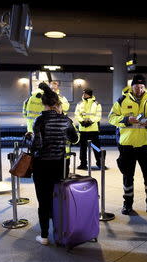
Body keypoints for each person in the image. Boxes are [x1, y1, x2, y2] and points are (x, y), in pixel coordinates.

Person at [30, 83, 79, 245]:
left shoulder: (40, 120)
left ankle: (44, 236)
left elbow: (36, 145)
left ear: (44, 104)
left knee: (43, 200)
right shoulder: (65, 120)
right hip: (60, 164)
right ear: (57, 104)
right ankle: (60, 232)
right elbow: (74, 139)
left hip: (42, 165)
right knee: (58, 198)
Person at [108, 74, 147, 215]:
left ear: (144, 87)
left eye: (141, 87)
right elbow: (111, 118)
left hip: (145, 146)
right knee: (128, 177)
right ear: (131, 86)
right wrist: (127, 120)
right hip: (127, 146)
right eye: (136, 86)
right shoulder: (121, 100)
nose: (139, 89)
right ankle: (127, 205)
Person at [74, 88, 104, 170]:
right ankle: (83, 164)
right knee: (83, 148)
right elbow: (77, 114)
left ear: (89, 94)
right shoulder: (79, 103)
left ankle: (100, 163)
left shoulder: (97, 104)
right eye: (83, 93)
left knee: (96, 147)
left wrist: (90, 121)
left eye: (85, 93)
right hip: (83, 129)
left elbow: (98, 116)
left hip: (93, 129)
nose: (83, 95)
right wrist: (81, 121)